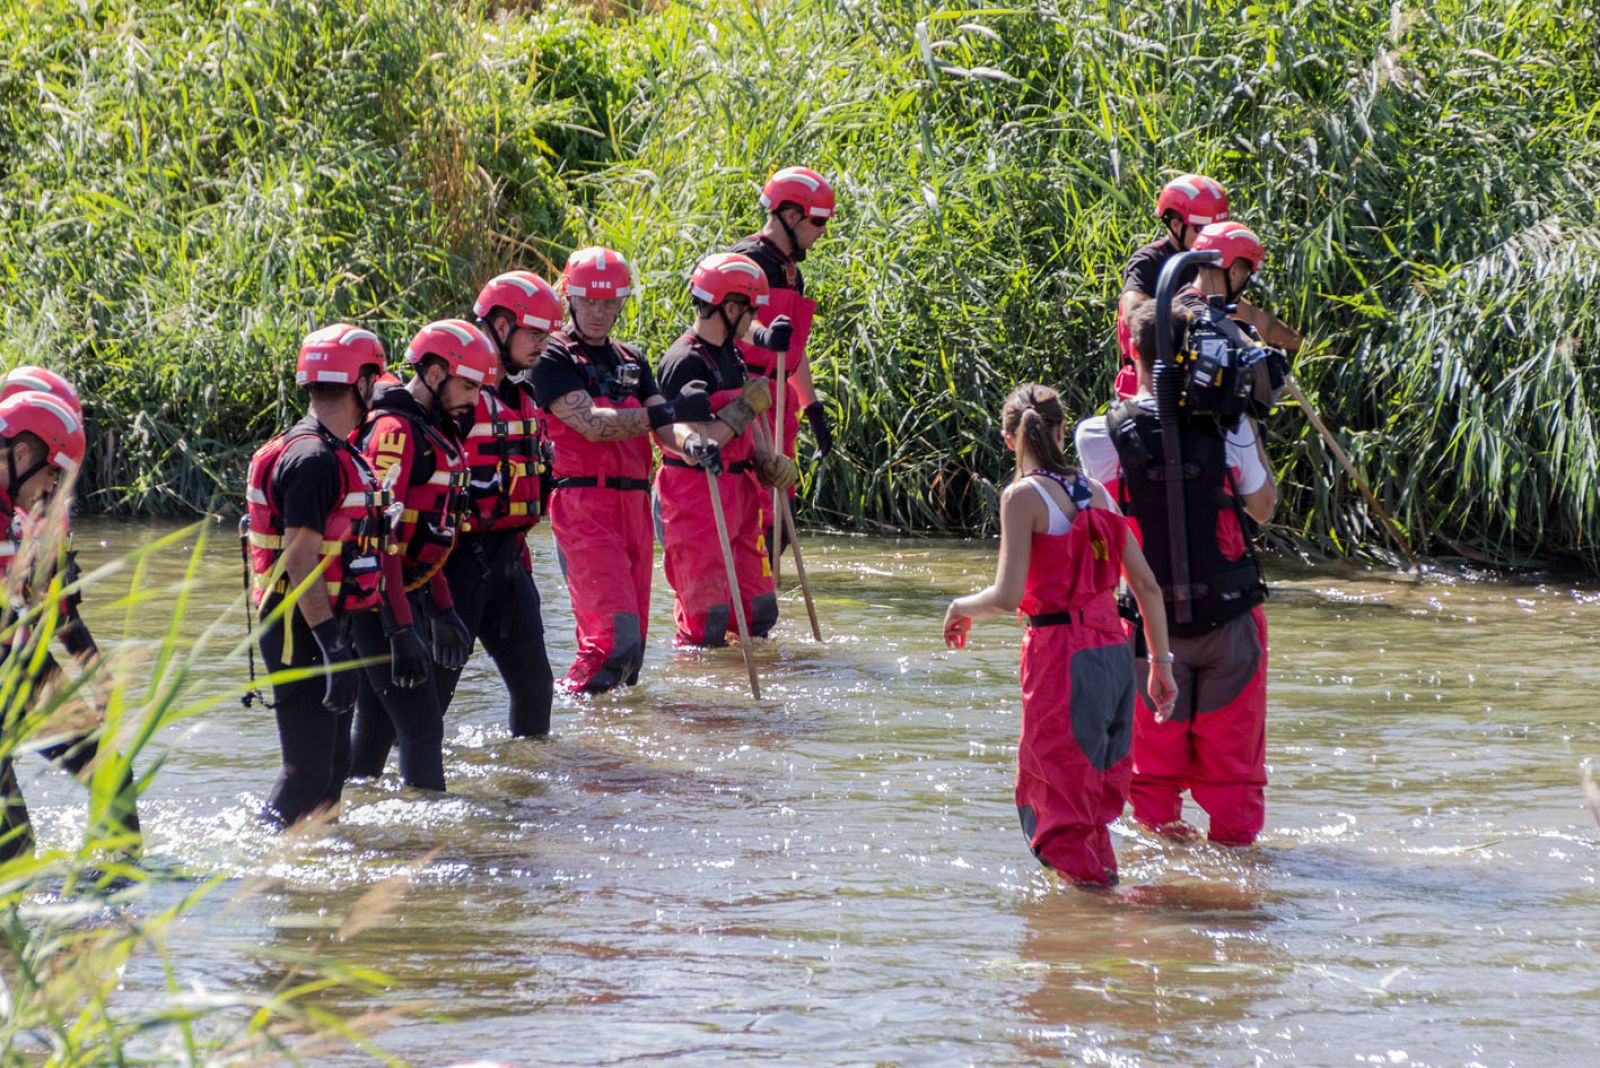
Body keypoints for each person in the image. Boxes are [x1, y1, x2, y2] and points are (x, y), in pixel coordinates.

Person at [1075, 268, 1278, 846]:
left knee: (1151, 779)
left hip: (1143, 630)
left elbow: (1104, 523)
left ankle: (1162, 904)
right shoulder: (1231, 426)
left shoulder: (1098, 434)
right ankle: (1238, 896)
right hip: (1230, 618)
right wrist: (1241, 419)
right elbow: (1261, 508)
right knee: (1235, 780)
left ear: (1132, 352)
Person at [942, 384, 1175, 886]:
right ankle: (1103, 916)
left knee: (1058, 805)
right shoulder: (1099, 492)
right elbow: (1149, 586)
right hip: (1115, 654)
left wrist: (961, 606)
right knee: (1095, 804)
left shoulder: (1021, 497)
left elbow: (1006, 598)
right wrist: (1160, 665)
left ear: (1009, 439)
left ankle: (1085, 934)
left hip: (1061, 657)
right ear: (1061, 431)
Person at [530, 247, 716, 692]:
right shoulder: (552, 357)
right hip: (583, 504)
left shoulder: (631, 359)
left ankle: (615, 744)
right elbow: (591, 425)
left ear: (620, 304)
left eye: (608, 303)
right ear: (570, 300)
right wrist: (670, 411)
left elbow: (663, 425)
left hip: (632, 503)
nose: (598, 312)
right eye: (589, 301)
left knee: (633, 655)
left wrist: (693, 443)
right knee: (612, 643)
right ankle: (568, 718)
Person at [245, 324, 404, 828]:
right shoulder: (313, 459)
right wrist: (334, 648)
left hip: (322, 624)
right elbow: (299, 560)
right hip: (302, 629)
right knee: (306, 771)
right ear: (359, 383)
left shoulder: (336, 449)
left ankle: (318, 871)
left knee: (334, 767)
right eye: (373, 381)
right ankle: (259, 868)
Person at [346, 320, 493, 787]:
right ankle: (424, 841)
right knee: (423, 728)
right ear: (433, 373)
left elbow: (424, 538)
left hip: (402, 594)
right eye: (467, 385)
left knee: (375, 728)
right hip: (377, 601)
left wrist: (444, 608)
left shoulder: (433, 430)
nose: (474, 399)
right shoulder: (394, 432)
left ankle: (346, 818)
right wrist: (401, 626)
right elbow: (380, 535)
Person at [0, 387, 141, 860]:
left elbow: (56, 610)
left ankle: (115, 900)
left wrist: (99, 678)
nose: (57, 488)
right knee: (16, 850)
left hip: (20, 670)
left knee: (111, 774)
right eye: (54, 473)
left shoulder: (26, 517)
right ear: (21, 452)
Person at [433, 272, 561, 735]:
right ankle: (399, 792)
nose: (543, 345)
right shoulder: (456, 395)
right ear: (502, 326)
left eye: (548, 335)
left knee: (535, 689)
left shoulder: (521, 396)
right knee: (432, 699)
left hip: (511, 561)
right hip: (457, 565)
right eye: (535, 334)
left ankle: (529, 797)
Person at [655, 253, 793, 647]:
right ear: (729, 308)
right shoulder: (684, 362)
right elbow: (696, 443)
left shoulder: (731, 352)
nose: (753, 320)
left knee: (759, 610)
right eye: (750, 310)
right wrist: (745, 406)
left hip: (740, 491)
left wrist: (767, 461)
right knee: (708, 622)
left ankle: (742, 686)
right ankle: (698, 697)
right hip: (695, 494)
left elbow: (751, 425)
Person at [1114, 175, 1299, 399]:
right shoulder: (1149, 261)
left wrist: (1301, 344)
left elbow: (1251, 315)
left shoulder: (1209, 262)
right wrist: (1185, 314)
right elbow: (1133, 312)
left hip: (1195, 386)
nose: (1211, 235)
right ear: (1175, 224)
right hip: (1147, 386)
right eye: (1202, 229)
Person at [732, 166, 836, 542]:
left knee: (781, 528)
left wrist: (813, 409)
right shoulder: (745, 264)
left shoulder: (792, 271)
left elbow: (794, 350)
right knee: (758, 529)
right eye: (818, 220)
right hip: (750, 404)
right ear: (791, 215)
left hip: (781, 406)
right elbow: (725, 334)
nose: (824, 231)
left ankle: (767, 597)